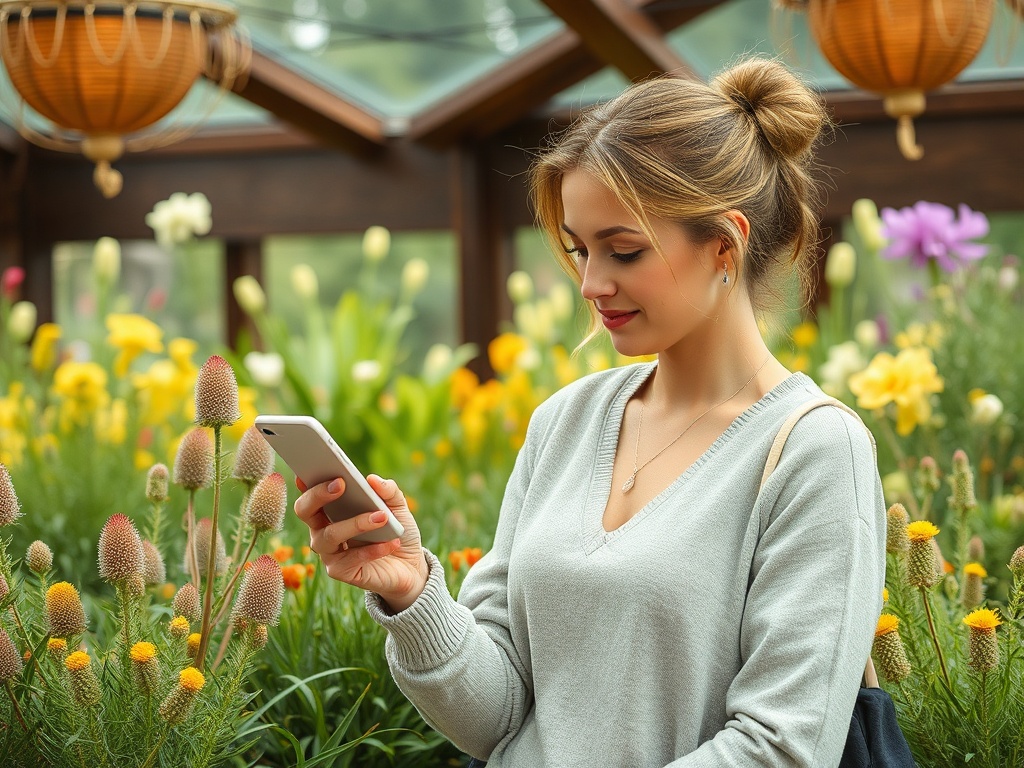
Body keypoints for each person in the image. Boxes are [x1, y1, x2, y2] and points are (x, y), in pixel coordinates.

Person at [294, 56, 886, 767]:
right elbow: (500, 717)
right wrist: (414, 594)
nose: (591, 283)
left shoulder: (816, 452)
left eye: (624, 251)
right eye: (579, 250)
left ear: (724, 245)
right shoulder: (564, 424)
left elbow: (783, 747)